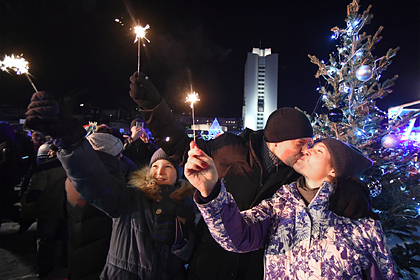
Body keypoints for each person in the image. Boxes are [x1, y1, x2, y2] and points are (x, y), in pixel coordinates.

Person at [128, 71, 374, 279]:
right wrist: (154, 108)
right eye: (301, 142)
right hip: (210, 264)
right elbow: (180, 147)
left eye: (309, 144)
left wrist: (353, 187)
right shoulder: (228, 148)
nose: (306, 149)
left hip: (257, 269)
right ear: (276, 141)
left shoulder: (297, 176)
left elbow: (331, 174)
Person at [24, 91, 198, 279]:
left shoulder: (188, 204)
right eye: (154, 166)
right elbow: (93, 180)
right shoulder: (130, 196)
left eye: (167, 167)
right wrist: (70, 143)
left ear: (178, 173)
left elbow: (192, 252)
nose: (159, 171)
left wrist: (181, 240)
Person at [185, 139, 397, 279]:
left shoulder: (362, 224)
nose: (307, 150)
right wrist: (211, 190)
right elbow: (238, 236)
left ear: (334, 170)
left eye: (318, 150)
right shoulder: (280, 203)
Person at [66, 131, 126, 280]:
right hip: (105, 246)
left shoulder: (75, 174)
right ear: (113, 153)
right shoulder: (110, 177)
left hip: (78, 240)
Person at [20, 142, 68, 278]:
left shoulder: (45, 168)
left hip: (49, 210)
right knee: (67, 238)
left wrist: (26, 210)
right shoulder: (75, 166)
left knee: (45, 240)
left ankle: (45, 268)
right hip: (69, 209)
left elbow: (34, 192)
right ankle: (65, 264)